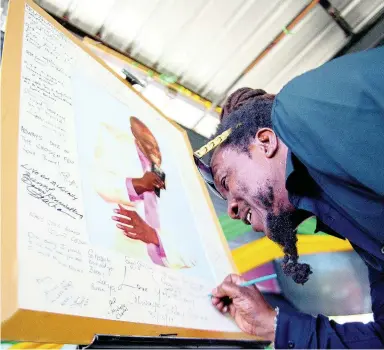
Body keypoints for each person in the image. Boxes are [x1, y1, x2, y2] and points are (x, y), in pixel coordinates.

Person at [196, 47, 384, 348]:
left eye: (225, 181)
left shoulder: (303, 108)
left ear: (265, 141)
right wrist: (272, 324)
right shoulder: (349, 218)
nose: (230, 208)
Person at [93, 117, 195, 269]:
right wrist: (137, 185)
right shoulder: (114, 143)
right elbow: (98, 181)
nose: (155, 149)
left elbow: (192, 257)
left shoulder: (181, 185)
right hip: (115, 259)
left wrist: (153, 236)